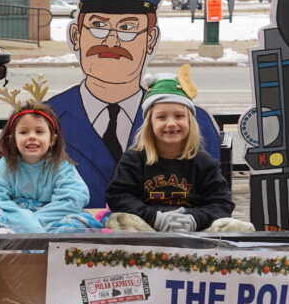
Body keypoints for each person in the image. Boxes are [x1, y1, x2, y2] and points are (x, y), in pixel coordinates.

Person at [46, 0, 220, 208]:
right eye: (98, 26)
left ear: (150, 39)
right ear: (75, 35)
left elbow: (212, 199)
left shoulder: (193, 123)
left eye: (127, 28)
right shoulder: (48, 119)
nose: (112, 41)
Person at [104, 72, 251, 232]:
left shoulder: (203, 162)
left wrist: (193, 220)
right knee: (118, 219)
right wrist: (155, 218)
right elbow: (118, 196)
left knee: (239, 227)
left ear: (190, 122)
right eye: (161, 117)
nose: (171, 123)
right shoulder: (134, 159)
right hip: (148, 229)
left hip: (194, 232)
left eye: (179, 116)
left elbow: (222, 204)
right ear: (149, 125)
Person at [0, 102, 97, 233]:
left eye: (39, 131)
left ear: (52, 140)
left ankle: (41, 248)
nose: (32, 136)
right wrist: (22, 219)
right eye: (24, 132)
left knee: (75, 226)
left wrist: (33, 222)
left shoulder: (61, 165)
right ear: (12, 139)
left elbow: (74, 198)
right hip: (15, 221)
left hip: (52, 219)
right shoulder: (6, 164)